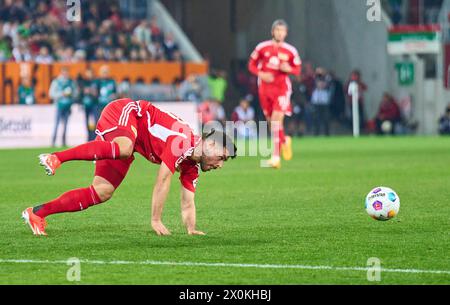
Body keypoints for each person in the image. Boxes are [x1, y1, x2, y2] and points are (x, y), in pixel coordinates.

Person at [21, 98, 237, 236]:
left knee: (102, 191)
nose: (219, 165)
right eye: (221, 157)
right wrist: (155, 219)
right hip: (126, 112)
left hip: (130, 142)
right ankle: (56, 157)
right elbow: (163, 179)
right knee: (123, 148)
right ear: (209, 144)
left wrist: (191, 229)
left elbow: (188, 201)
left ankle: (37, 213)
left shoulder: (192, 166)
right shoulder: (183, 141)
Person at [248, 19, 301, 168]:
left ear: (286, 33)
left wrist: (288, 69)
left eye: (282, 30)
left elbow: (297, 70)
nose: (279, 33)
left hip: (282, 89)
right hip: (265, 89)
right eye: (277, 30)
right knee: (272, 123)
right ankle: (285, 141)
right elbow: (251, 64)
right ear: (272, 32)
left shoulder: (291, 51)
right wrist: (261, 74)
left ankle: (275, 158)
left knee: (277, 120)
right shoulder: (262, 47)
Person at [49, 67, 77, 147]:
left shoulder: (71, 82)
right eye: (64, 72)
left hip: (68, 106)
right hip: (59, 106)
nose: (65, 74)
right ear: (61, 73)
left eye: (66, 72)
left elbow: (76, 93)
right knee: (56, 124)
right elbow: (51, 94)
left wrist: (71, 94)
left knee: (65, 125)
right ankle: (53, 141)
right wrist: (62, 94)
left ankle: (63, 141)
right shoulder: (56, 82)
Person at [79, 67, 99, 141]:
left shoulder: (96, 82)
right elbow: (80, 94)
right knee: (87, 123)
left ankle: (94, 138)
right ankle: (89, 138)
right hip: (86, 106)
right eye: (87, 73)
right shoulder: (84, 82)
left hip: (94, 105)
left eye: (90, 73)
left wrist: (91, 92)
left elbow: (98, 93)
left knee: (95, 122)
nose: (89, 74)